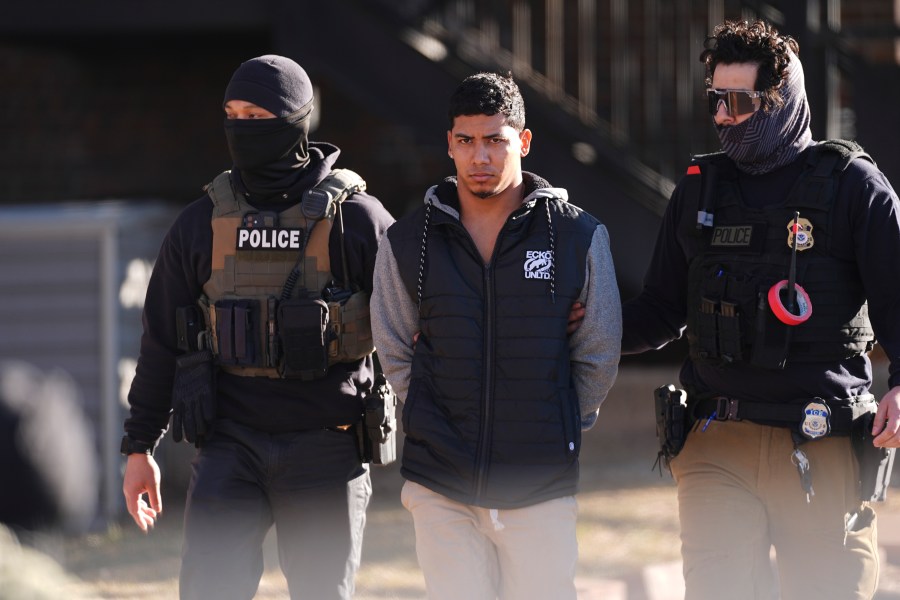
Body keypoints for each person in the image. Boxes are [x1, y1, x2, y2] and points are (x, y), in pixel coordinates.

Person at [622, 19, 900, 599]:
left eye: (740, 102)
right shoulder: (699, 188)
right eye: (714, 100)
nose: (723, 116)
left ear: (781, 103)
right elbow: (657, 311)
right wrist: (576, 326)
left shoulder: (854, 187)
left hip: (819, 440)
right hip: (715, 441)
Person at [120, 55, 394, 600]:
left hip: (327, 447)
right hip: (230, 447)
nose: (242, 128)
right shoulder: (200, 225)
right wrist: (138, 447)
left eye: (257, 115)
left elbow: (413, 332)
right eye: (232, 115)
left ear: (295, 121)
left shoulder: (357, 220)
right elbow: (161, 341)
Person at [370, 71, 622, 600]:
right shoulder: (408, 240)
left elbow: (598, 351)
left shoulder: (578, 235)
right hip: (441, 484)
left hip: (540, 484)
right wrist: (433, 416)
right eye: (466, 141)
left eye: (494, 140)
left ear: (523, 141)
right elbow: (393, 346)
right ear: (450, 144)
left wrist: (554, 421)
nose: (479, 157)